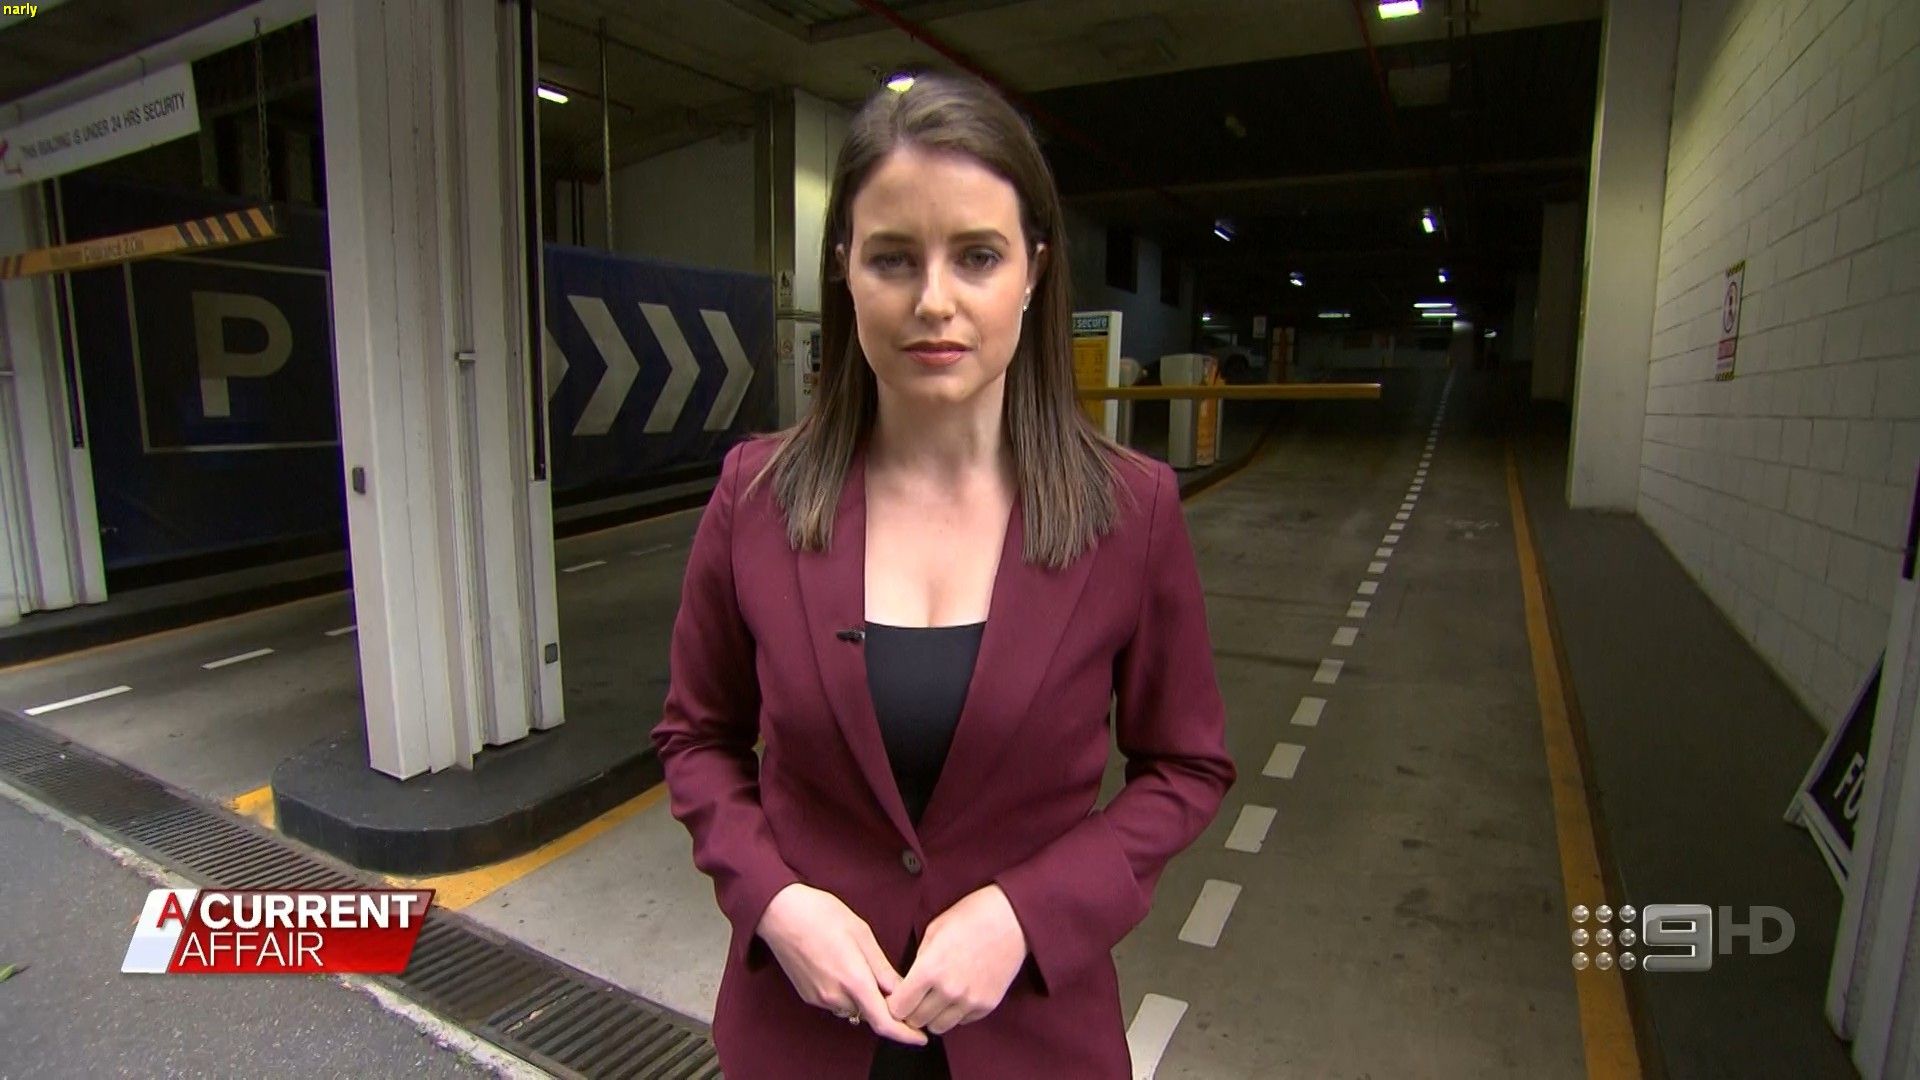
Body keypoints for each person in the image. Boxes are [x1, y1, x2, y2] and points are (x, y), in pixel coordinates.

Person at [651, 72, 1236, 1079]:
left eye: (977, 256)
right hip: (800, 1038)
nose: (934, 301)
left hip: (1033, 1040)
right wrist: (774, 901)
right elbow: (697, 738)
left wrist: (1027, 915)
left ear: (1033, 271)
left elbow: (1186, 767)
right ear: (843, 269)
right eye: (892, 257)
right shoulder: (757, 498)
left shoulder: (1129, 513)